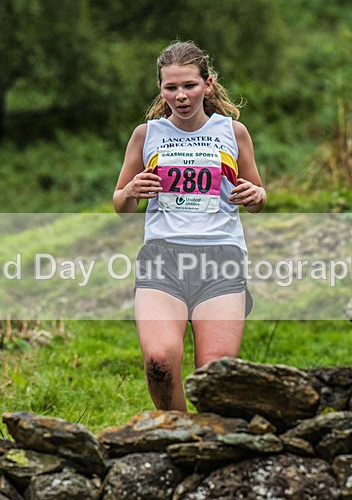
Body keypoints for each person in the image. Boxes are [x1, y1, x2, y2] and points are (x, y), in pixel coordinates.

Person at [113, 41, 266, 411]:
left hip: (221, 258)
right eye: (171, 88)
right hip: (162, 258)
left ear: (207, 84)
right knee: (159, 363)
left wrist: (254, 195)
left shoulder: (233, 132)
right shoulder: (145, 135)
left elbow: (259, 197)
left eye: (189, 86)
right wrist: (132, 190)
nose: (180, 96)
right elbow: (121, 204)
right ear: (161, 89)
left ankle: (209, 445)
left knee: (214, 373)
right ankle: (178, 432)